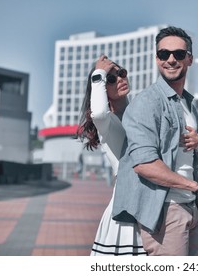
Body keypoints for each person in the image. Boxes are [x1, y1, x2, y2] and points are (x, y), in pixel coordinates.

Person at [112, 26, 198, 256]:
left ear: (190, 59)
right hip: (165, 212)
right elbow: (144, 164)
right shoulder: (147, 103)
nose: (171, 59)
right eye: (164, 54)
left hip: (190, 208)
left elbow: (195, 159)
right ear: (157, 59)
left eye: (179, 54)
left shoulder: (187, 104)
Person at [75, 55, 146, 255]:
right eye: (111, 79)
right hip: (126, 211)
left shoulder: (141, 115)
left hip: (151, 205)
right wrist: (99, 73)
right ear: (102, 88)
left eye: (121, 73)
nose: (120, 79)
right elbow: (98, 114)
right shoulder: (108, 123)